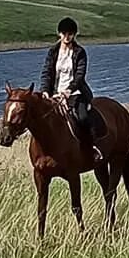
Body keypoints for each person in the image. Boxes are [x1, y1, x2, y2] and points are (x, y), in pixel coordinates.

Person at [39, 17, 101, 167]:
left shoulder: (80, 52)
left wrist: (69, 90)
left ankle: (91, 148)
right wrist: (45, 91)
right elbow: (47, 72)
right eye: (64, 33)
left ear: (74, 35)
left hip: (75, 93)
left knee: (83, 117)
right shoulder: (53, 51)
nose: (67, 37)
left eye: (70, 34)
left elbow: (80, 76)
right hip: (55, 94)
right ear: (59, 34)